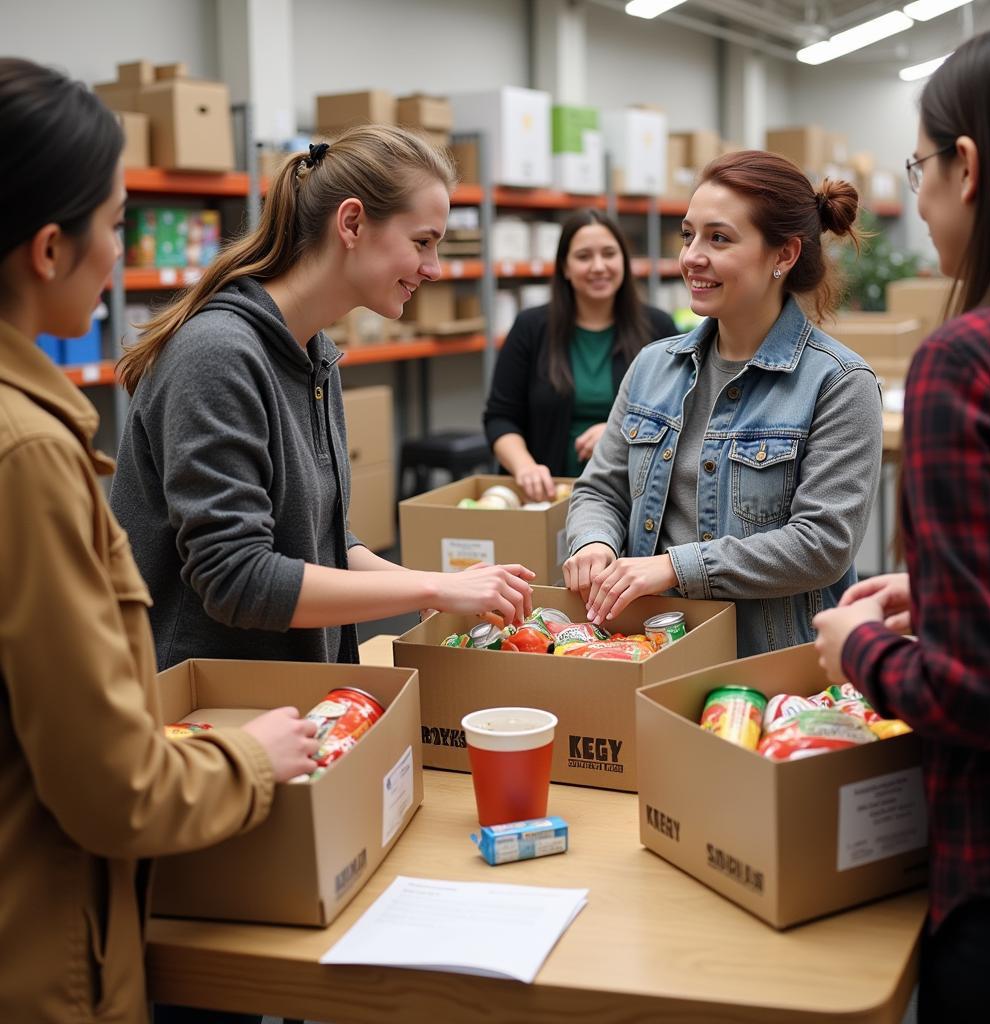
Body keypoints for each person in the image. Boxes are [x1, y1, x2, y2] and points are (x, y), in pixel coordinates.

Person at [0, 58, 320, 1024]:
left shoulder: (314, 357)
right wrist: (254, 758)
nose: (120, 254)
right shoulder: (27, 455)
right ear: (50, 249)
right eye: (115, 225)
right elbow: (114, 790)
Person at [110, 125, 533, 673]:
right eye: (422, 242)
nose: (433, 268)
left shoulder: (314, 357)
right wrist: (431, 586)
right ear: (352, 223)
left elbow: (321, 541)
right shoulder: (217, 356)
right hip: (201, 717)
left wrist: (437, 587)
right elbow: (236, 578)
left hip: (288, 703)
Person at [812, 24, 990, 1024]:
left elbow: (981, 695)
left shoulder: (966, 363)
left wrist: (858, 648)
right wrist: (937, 588)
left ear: (968, 167)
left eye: (922, 164)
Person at [563, 151, 883, 658]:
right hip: (652, 647)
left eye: (719, 238)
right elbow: (601, 489)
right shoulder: (652, 366)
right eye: (688, 235)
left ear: (784, 255)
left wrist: (675, 567)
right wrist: (593, 543)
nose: (692, 256)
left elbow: (822, 544)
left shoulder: (840, 383)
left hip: (770, 661)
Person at [483, 209, 677, 500]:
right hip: (548, 496)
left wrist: (619, 434)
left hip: (634, 496)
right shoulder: (530, 328)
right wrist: (525, 468)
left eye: (609, 254)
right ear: (565, 267)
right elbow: (500, 417)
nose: (598, 266)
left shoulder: (657, 328)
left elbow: (680, 416)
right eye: (584, 256)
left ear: (624, 261)